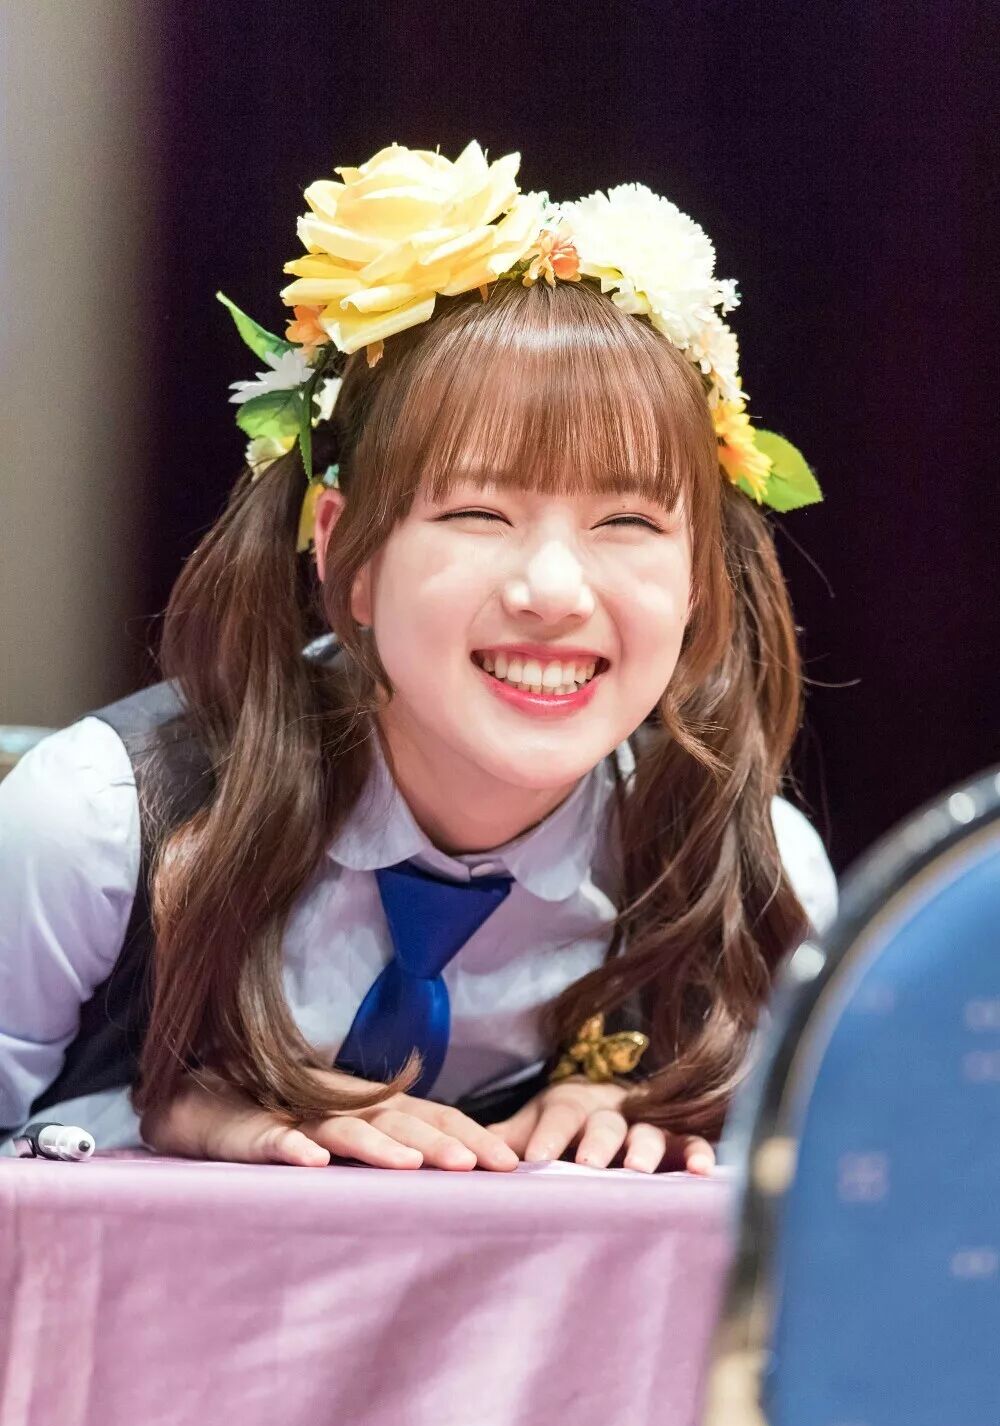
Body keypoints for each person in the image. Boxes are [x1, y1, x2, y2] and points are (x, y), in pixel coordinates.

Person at [0, 141, 837, 1176]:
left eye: (626, 522)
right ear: (346, 553)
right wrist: (162, 1125)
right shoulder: (95, 823)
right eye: (478, 512)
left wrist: (678, 1119)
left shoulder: (756, 873)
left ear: (699, 576)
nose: (553, 591)